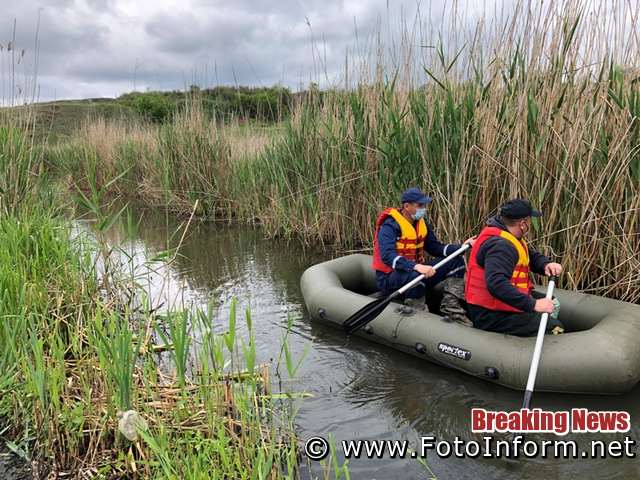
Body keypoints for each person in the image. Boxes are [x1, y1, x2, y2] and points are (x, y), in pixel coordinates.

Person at [372, 187, 476, 323]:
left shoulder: (422, 224)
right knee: (415, 276)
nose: (424, 209)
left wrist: (461, 247)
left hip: (415, 271)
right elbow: (387, 256)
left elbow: (435, 248)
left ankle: (451, 308)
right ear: (407, 206)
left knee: (456, 262)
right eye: (420, 205)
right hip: (390, 277)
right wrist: (415, 267)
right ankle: (419, 315)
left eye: (424, 205)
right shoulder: (390, 226)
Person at [464, 199, 565, 336]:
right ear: (523, 224)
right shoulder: (501, 246)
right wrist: (533, 305)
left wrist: (545, 264)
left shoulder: (507, 234)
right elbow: (496, 284)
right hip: (490, 313)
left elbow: (527, 254)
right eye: (530, 220)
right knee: (556, 328)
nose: (530, 223)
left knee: (554, 303)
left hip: (503, 302)